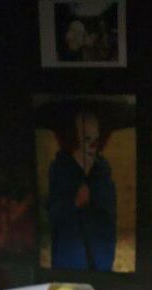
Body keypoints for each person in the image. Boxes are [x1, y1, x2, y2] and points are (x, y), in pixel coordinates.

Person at [46, 107, 116, 271]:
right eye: (86, 139)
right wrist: (73, 203)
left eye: (95, 140)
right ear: (74, 139)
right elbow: (52, 212)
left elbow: (109, 215)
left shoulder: (102, 173)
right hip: (69, 262)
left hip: (100, 262)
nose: (92, 146)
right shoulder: (59, 171)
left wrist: (93, 199)